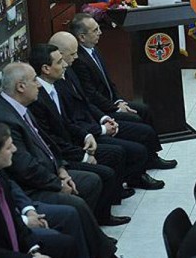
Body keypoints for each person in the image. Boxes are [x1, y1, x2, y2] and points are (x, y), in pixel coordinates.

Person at [0, 62, 117, 258]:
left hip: (49, 172)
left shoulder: (21, 107)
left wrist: (61, 169)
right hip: (31, 186)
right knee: (74, 207)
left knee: (91, 182)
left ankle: (95, 243)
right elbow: (24, 167)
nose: (38, 84)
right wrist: (57, 184)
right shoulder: (1, 117)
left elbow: (47, 142)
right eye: (34, 80)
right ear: (21, 86)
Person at [28, 43, 132, 226]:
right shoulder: (37, 99)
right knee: (105, 174)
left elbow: (67, 121)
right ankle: (97, 220)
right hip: (63, 154)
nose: (65, 65)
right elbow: (50, 139)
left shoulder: (55, 87)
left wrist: (86, 136)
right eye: (59, 62)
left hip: (74, 142)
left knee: (116, 153)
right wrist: (83, 156)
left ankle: (106, 208)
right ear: (46, 69)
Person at [49, 31, 166, 188]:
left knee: (142, 122)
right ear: (60, 54)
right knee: (134, 147)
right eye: (72, 54)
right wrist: (102, 129)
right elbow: (71, 119)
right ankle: (133, 179)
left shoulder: (69, 71)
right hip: (85, 134)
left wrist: (104, 118)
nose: (76, 57)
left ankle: (146, 165)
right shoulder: (55, 84)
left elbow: (86, 102)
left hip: (94, 121)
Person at [67, 14, 176, 171]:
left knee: (144, 110)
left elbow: (108, 81)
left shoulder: (94, 49)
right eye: (95, 30)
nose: (100, 32)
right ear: (82, 37)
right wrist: (116, 108)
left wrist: (119, 101)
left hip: (112, 102)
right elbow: (91, 95)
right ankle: (143, 162)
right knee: (138, 121)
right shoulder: (78, 60)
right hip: (101, 109)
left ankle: (152, 157)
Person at [0, 119, 76, 258]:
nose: (15, 149)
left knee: (66, 244)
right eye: (8, 147)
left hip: (15, 245)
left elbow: (14, 220)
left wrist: (33, 249)